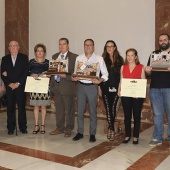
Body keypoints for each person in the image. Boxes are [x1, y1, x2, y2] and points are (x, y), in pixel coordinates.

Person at [72, 39, 108, 143]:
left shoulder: (99, 59)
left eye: (90, 45)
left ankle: (92, 134)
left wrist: (99, 81)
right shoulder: (79, 58)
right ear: (84, 46)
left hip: (92, 87)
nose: (88, 47)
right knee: (79, 111)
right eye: (86, 45)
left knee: (92, 111)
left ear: (93, 46)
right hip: (81, 86)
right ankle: (80, 132)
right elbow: (76, 72)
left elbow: (105, 74)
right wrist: (75, 77)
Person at [145, 33, 170, 146]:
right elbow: (149, 73)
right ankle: (157, 137)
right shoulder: (154, 54)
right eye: (160, 40)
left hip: (169, 88)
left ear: (169, 41)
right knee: (157, 114)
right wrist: (148, 70)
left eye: (165, 40)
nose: (163, 42)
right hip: (155, 88)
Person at [50, 38, 78, 137]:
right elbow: (52, 70)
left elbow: (76, 74)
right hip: (57, 87)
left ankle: (69, 129)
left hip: (67, 86)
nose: (62, 46)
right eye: (60, 44)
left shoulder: (74, 57)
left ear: (68, 45)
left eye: (64, 44)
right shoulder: (54, 56)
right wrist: (51, 81)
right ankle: (59, 128)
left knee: (69, 109)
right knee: (59, 109)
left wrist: (66, 76)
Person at [118, 48, 145, 144]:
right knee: (127, 116)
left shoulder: (141, 67)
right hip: (126, 94)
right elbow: (121, 80)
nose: (129, 57)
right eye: (128, 55)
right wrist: (119, 90)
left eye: (132, 55)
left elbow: (143, 82)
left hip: (137, 96)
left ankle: (136, 136)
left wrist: (139, 93)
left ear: (136, 56)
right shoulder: (123, 67)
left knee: (137, 115)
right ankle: (127, 135)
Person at [1, 41, 28, 135]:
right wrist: (10, 84)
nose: (13, 47)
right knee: (10, 108)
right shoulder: (5, 59)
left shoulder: (24, 58)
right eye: (11, 46)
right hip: (9, 88)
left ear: (18, 47)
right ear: (8, 48)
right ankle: (11, 128)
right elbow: (3, 74)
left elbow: (25, 72)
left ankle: (23, 127)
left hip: (20, 87)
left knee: (21, 108)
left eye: (15, 46)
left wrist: (18, 83)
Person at [99, 40, 124, 141]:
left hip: (116, 88)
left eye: (111, 46)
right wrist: (99, 88)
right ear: (105, 48)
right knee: (108, 108)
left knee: (113, 108)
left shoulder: (120, 60)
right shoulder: (102, 59)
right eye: (107, 46)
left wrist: (120, 88)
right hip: (105, 87)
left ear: (115, 48)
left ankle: (111, 129)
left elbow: (122, 75)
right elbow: (99, 75)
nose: (109, 48)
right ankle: (112, 129)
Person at [29, 43, 50, 134]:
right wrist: (31, 74)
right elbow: (27, 72)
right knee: (36, 106)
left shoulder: (47, 62)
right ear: (35, 52)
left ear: (44, 52)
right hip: (34, 87)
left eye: (41, 51)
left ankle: (43, 125)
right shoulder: (31, 62)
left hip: (44, 87)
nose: (40, 52)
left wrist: (47, 75)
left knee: (43, 106)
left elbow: (51, 73)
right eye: (38, 51)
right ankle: (36, 125)